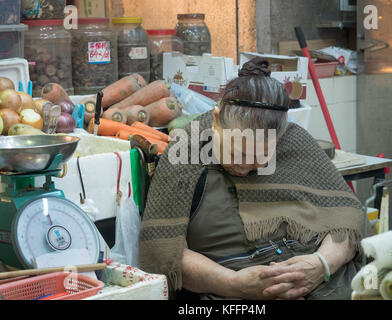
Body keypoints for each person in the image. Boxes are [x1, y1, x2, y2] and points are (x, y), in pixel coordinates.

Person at [139, 58, 369, 300]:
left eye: (262, 157)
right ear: (217, 119)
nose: (246, 167)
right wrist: (233, 284)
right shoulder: (186, 150)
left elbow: (348, 220)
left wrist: (321, 264)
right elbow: (162, 251)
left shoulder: (294, 140)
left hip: (324, 282)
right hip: (230, 289)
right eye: (238, 153)